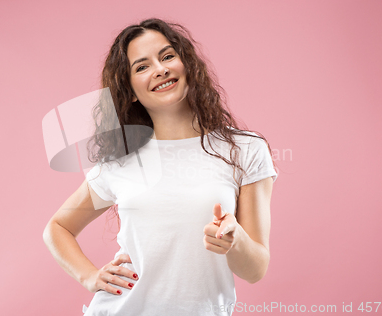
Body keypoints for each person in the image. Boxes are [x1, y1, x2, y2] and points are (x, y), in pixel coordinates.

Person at [43, 18, 278, 316]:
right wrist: (89, 276)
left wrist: (236, 240)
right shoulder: (121, 161)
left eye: (167, 56)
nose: (160, 69)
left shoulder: (244, 149)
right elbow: (57, 228)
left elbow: (256, 270)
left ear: (187, 64)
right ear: (128, 90)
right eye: (142, 67)